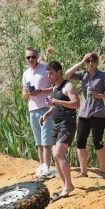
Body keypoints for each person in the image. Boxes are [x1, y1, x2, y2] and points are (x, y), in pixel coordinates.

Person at [64, 52, 105, 179]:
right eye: (88, 61)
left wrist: (98, 95)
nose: (90, 63)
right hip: (84, 113)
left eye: (93, 61)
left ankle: (102, 171)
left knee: (98, 143)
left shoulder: (103, 76)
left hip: (97, 113)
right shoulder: (83, 75)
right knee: (80, 142)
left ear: (97, 62)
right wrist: (81, 62)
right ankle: (83, 171)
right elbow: (67, 74)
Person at [39, 61, 80, 201]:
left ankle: (69, 184)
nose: (48, 76)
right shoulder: (55, 88)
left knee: (58, 153)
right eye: (47, 73)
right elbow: (55, 105)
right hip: (57, 124)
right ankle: (65, 186)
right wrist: (47, 114)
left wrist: (58, 102)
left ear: (59, 72)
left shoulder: (68, 86)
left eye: (51, 73)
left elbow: (76, 104)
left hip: (67, 123)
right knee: (55, 156)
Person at [22, 47, 54, 176]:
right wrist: (27, 92)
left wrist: (40, 91)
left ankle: (47, 166)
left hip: (45, 107)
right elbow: (23, 94)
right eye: (28, 57)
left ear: (37, 56)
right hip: (32, 108)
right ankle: (42, 166)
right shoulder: (26, 74)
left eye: (33, 57)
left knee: (46, 139)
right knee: (39, 141)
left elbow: (55, 87)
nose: (31, 59)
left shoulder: (45, 70)